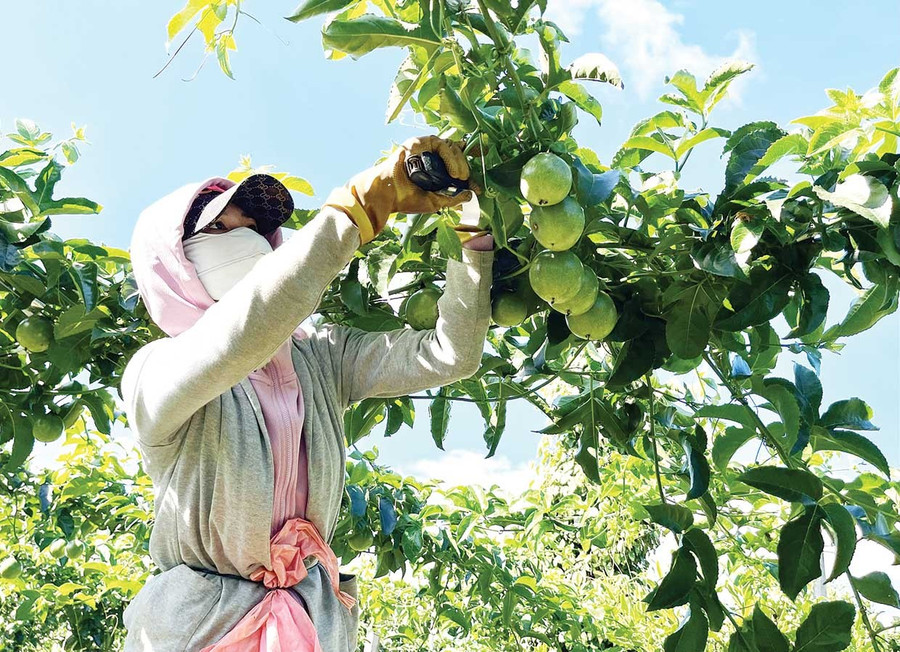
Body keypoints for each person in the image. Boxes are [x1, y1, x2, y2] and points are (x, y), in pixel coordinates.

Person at [118, 135, 494, 652]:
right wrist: (360, 207)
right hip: (201, 629)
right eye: (223, 227)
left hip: (309, 621)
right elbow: (242, 335)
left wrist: (472, 240)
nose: (247, 237)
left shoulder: (317, 355)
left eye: (255, 227)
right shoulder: (154, 372)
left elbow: (451, 353)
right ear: (173, 262)